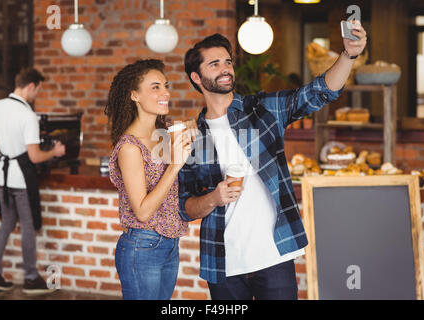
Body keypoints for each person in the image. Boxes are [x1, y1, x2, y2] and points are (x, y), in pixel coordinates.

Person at [179, 23, 367, 300]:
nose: (225, 69)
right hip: (223, 263)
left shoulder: (262, 109)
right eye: (215, 64)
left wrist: (348, 55)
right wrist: (214, 198)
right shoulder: (192, 138)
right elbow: (185, 208)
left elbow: (318, 92)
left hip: (274, 255)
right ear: (196, 77)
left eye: (228, 62)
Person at [105, 59, 193, 300]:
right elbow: (142, 212)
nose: (166, 93)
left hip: (170, 244)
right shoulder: (129, 147)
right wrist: (175, 165)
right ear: (134, 95)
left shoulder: (164, 133)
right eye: (155, 87)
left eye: (166, 86)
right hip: (142, 246)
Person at [0, 67, 66, 294]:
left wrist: (7, 141)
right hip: (20, 178)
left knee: (7, 224)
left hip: (2, 175)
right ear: (30, 86)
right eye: (37, 90)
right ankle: (31, 278)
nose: (36, 95)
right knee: (28, 228)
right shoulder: (28, 115)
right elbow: (35, 156)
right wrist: (55, 152)